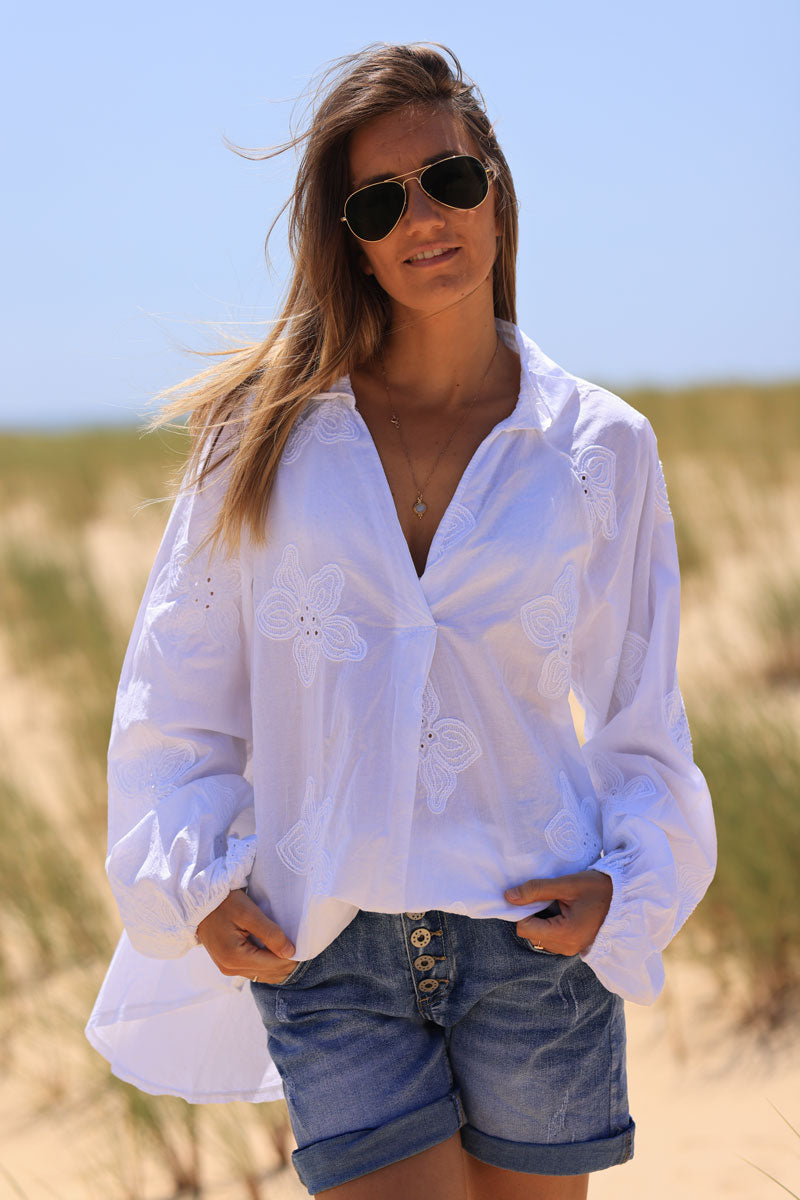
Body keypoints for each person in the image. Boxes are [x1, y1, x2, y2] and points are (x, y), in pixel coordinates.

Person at [86, 42, 716, 1200]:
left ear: (497, 189)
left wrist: (627, 885)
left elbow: (638, 714)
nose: (424, 218)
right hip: (326, 942)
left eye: (450, 179)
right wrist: (192, 882)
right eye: (381, 201)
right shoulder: (259, 437)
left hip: (533, 942)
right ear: (351, 237)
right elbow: (176, 692)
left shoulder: (597, 447)